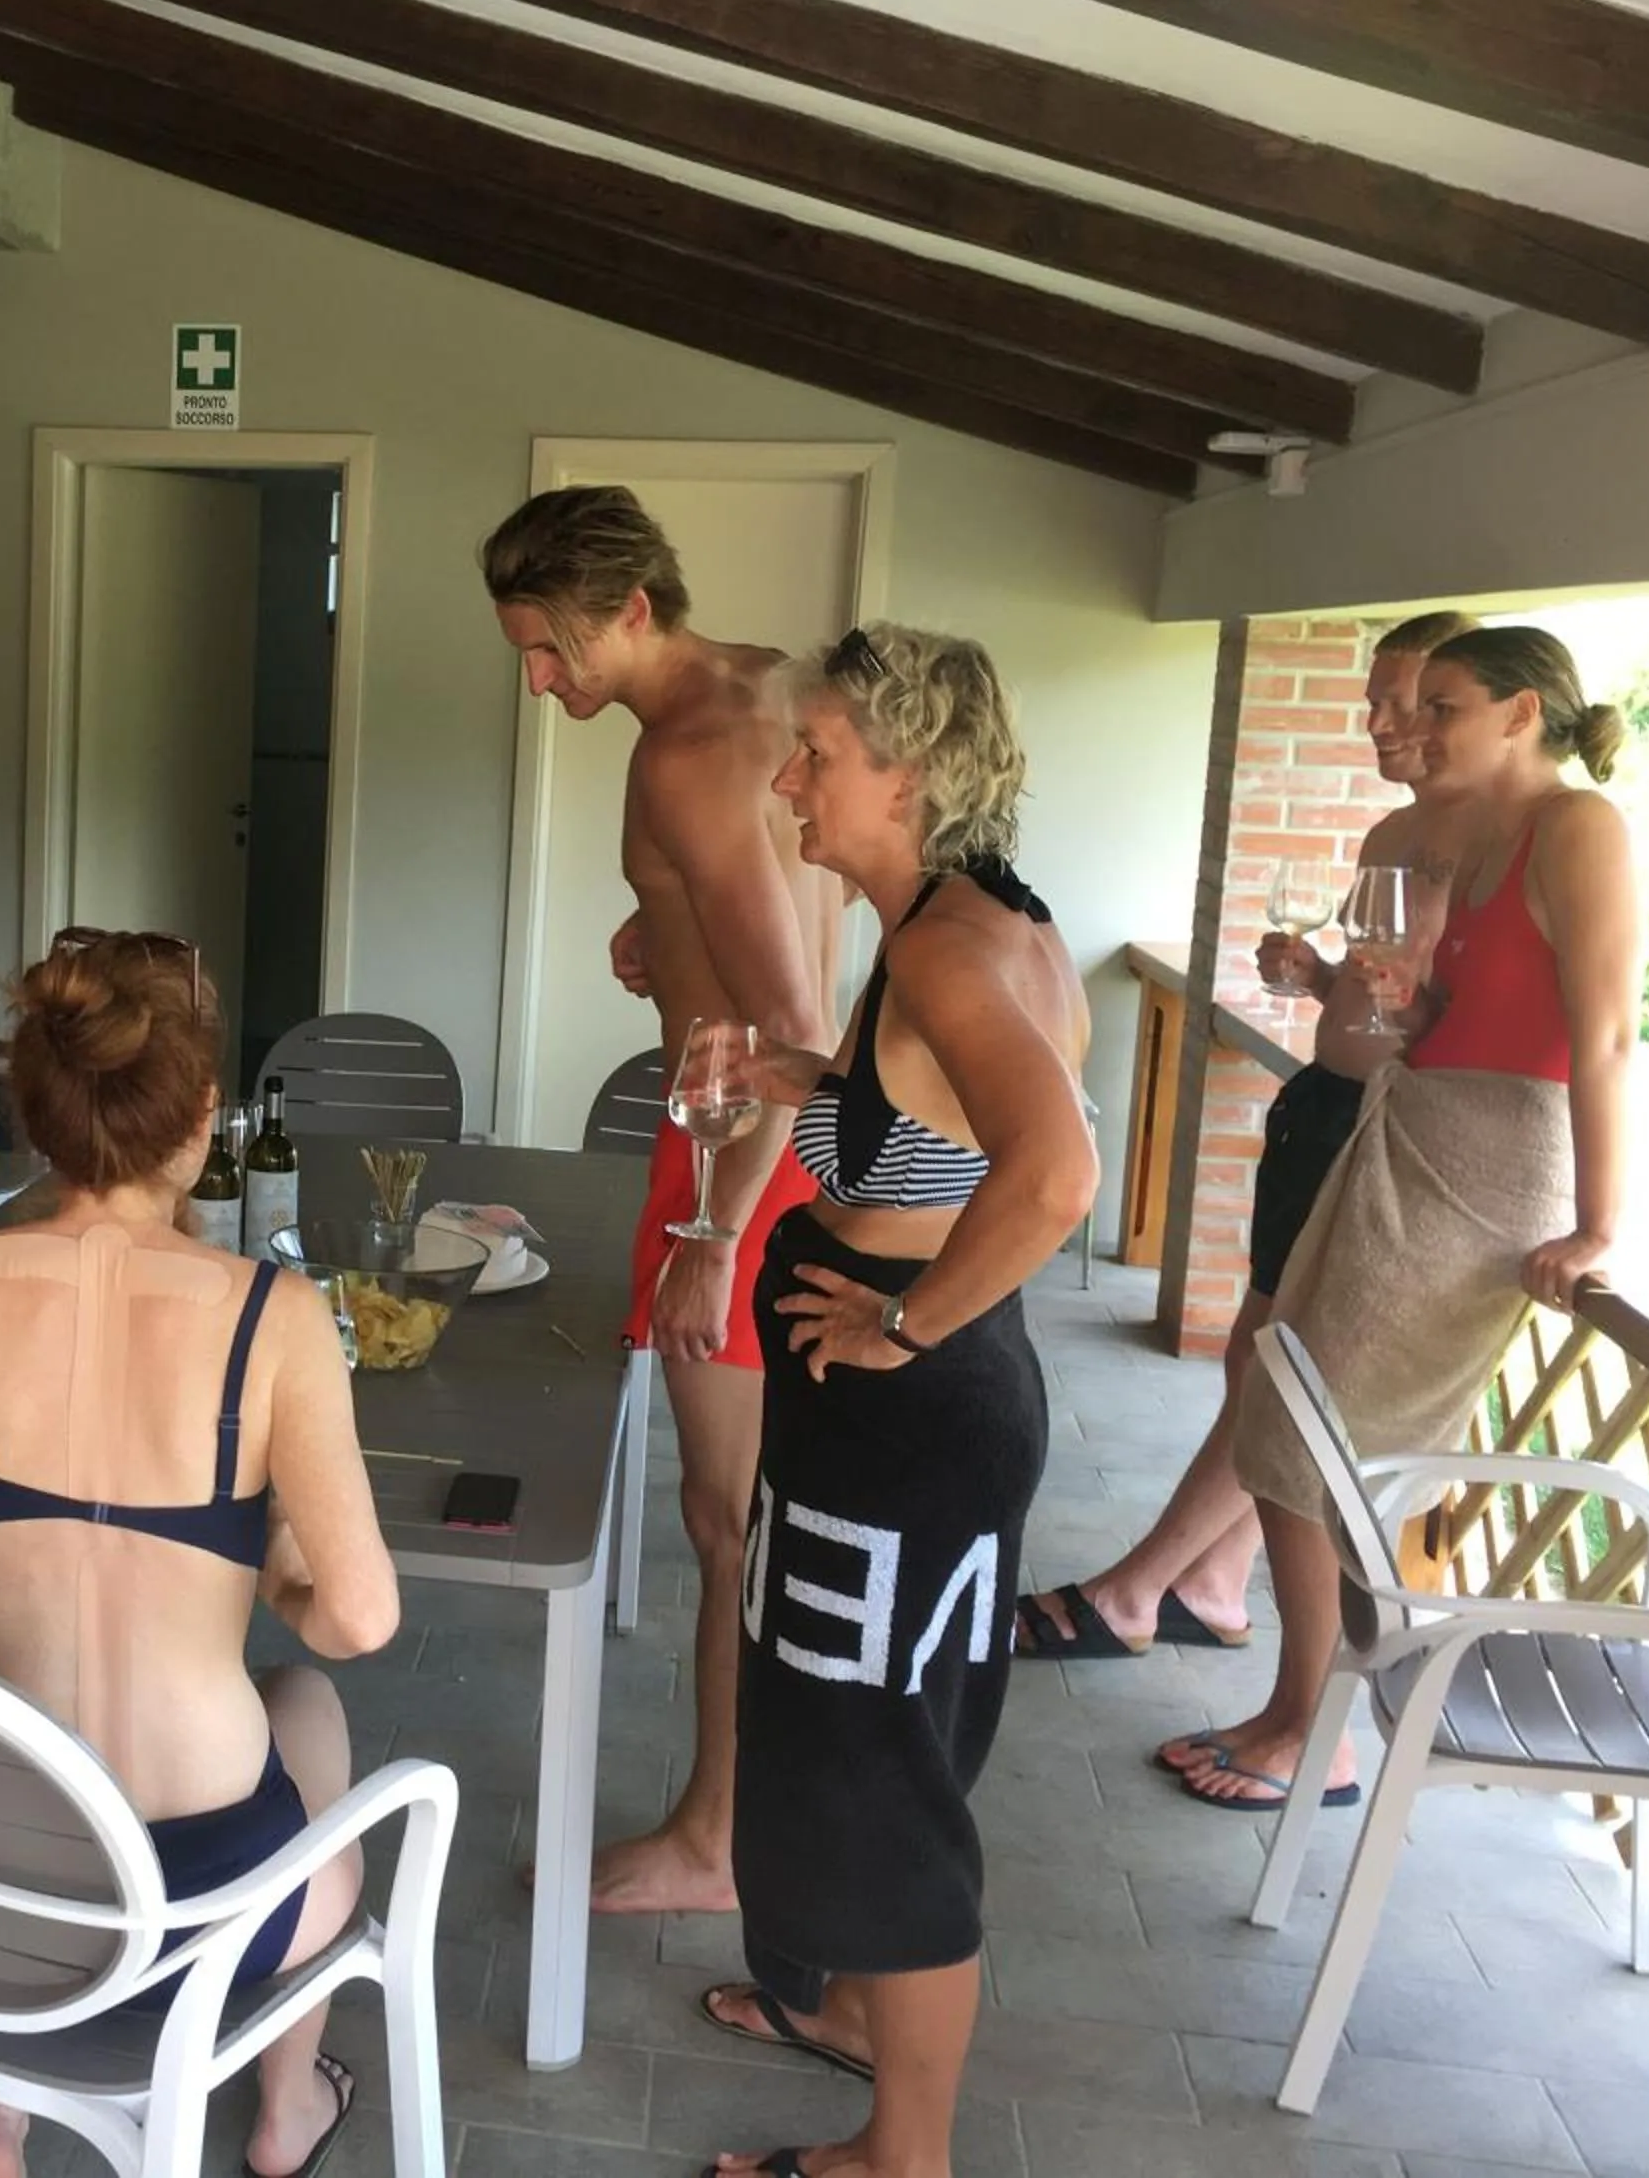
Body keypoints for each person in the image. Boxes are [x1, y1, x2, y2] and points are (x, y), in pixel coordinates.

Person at [0, 931, 401, 2178]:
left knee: (49, 1747)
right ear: (203, 1118)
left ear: (36, 1113)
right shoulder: (271, 1318)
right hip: (216, 1909)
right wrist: (276, 1580)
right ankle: (287, 2111)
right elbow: (359, 1618)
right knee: (310, 1702)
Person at [696, 628, 1096, 2178]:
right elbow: (933, 1121)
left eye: (818, 752)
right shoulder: (950, 918)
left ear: (909, 771)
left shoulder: (945, 943)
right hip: (901, 1406)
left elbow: (1055, 1175)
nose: (788, 777)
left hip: (915, 1416)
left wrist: (906, 1321)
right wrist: (813, 1080)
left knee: (884, 1772)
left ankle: (900, 2156)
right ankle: (865, 2012)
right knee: (878, 1736)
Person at [1160, 627, 1638, 1811]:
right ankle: (1309, 1703)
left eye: (1444, 705)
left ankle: (1321, 1724)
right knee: (1283, 1412)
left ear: (1523, 712)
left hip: (1493, 1166)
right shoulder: (1465, 834)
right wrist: (1383, 996)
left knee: (1339, 1437)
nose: (1413, 727)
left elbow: (1608, 1034)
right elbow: (1432, 1032)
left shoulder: (1578, 830)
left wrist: (1596, 1226)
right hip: (1408, 1122)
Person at [481, 486, 837, 1916]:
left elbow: (795, 1025)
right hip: (779, 1145)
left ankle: (718, 1837)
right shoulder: (771, 686)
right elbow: (803, 898)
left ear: (632, 608)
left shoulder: (686, 753)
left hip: (743, 1156)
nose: (539, 680)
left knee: (730, 1519)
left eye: (557, 650)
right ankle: (742, 1816)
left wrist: (713, 1230)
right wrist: (668, 915)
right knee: (752, 1513)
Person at [1013, 609, 1478, 1659]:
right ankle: (1216, 1583)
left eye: (1406, 702)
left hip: (1388, 1134)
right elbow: (1374, 990)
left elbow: (1482, 1024)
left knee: (1283, 1378)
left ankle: (1133, 1594)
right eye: (1373, 698)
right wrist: (1314, 979)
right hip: (1321, 1102)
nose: (1379, 720)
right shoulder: (1389, 838)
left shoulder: (1486, 849)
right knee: (1249, 1359)